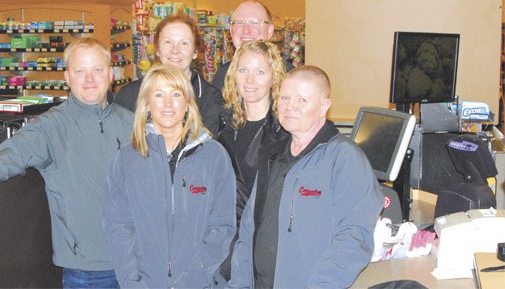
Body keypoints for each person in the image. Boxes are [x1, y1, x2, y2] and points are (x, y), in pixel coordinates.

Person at [0, 37, 134, 289]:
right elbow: (15, 151)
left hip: (136, 260)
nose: (89, 79)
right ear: (67, 77)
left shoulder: (132, 123)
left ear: (110, 74)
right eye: (80, 71)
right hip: (87, 269)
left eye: (97, 70)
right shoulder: (51, 126)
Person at [228, 66, 384, 288]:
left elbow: (354, 238)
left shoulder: (344, 158)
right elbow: (248, 228)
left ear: (324, 107)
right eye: (284, 97)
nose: (290, 107)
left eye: (302, 100)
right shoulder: (272, 155)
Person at [103, 64, 236, 288]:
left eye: (176, 94)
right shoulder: (127, 159)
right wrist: (132, 281)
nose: (167, 103)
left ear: (187, 104)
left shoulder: (214, 156)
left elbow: (222, 227)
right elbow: (118, 227)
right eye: (158, 94)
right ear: (146, 104)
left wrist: (194, 279)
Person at [217, 40, 286, 281]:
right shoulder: (225, 123)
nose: (250, 80)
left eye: (260, 72)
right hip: (227, 240)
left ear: (273, 77)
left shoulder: (284, 132)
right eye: (243, 70)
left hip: (266, 247)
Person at [114, 14, 224, 135]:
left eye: (184, 43)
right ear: (157, 50)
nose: (175, 50)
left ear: (195, 52)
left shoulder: (210, 98)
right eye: (167, 42)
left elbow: (205, 147)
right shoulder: (130, 95)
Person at [212, 0, 293, 91]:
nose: (245, 30)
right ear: (231, 30)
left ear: (269, 30)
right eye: (239, 23)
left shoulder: (289, 76)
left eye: (254, 23)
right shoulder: (222, 76)